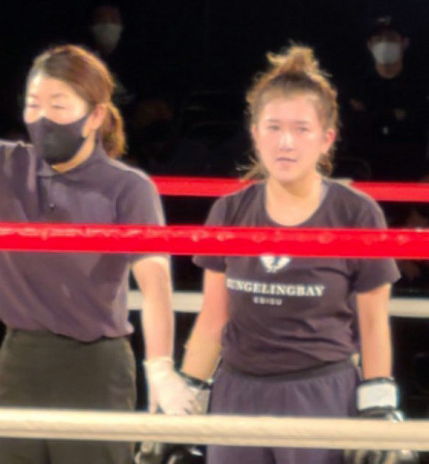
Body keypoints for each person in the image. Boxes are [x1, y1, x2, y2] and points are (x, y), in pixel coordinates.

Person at [159, 45, 417, 464]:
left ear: (326, 139)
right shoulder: (230, 210)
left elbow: (373, 323)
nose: (285, 142)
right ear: (255, 134)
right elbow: (213, 318)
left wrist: (377, 405)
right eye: (274, 127)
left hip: (321, 395)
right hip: (237, 394)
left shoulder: (355, 213)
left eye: (301, 129)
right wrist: (186, 400)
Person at [0, 44, 175, 464]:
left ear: (95, 116)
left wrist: (160, 367)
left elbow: (156, 283)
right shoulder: (5, 164)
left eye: (58, 105)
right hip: (20, 360)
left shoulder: (129, 188)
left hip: (95, 365)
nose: (43, 118)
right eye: (33, 104)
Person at [345, 16, 428, 181]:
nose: (384, 44)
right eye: (378, 39)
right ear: (369, 45)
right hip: (365, 180)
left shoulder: (421, 87)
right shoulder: (356, 88)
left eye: (391, 39)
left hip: (415, 180)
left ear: (405, 43)